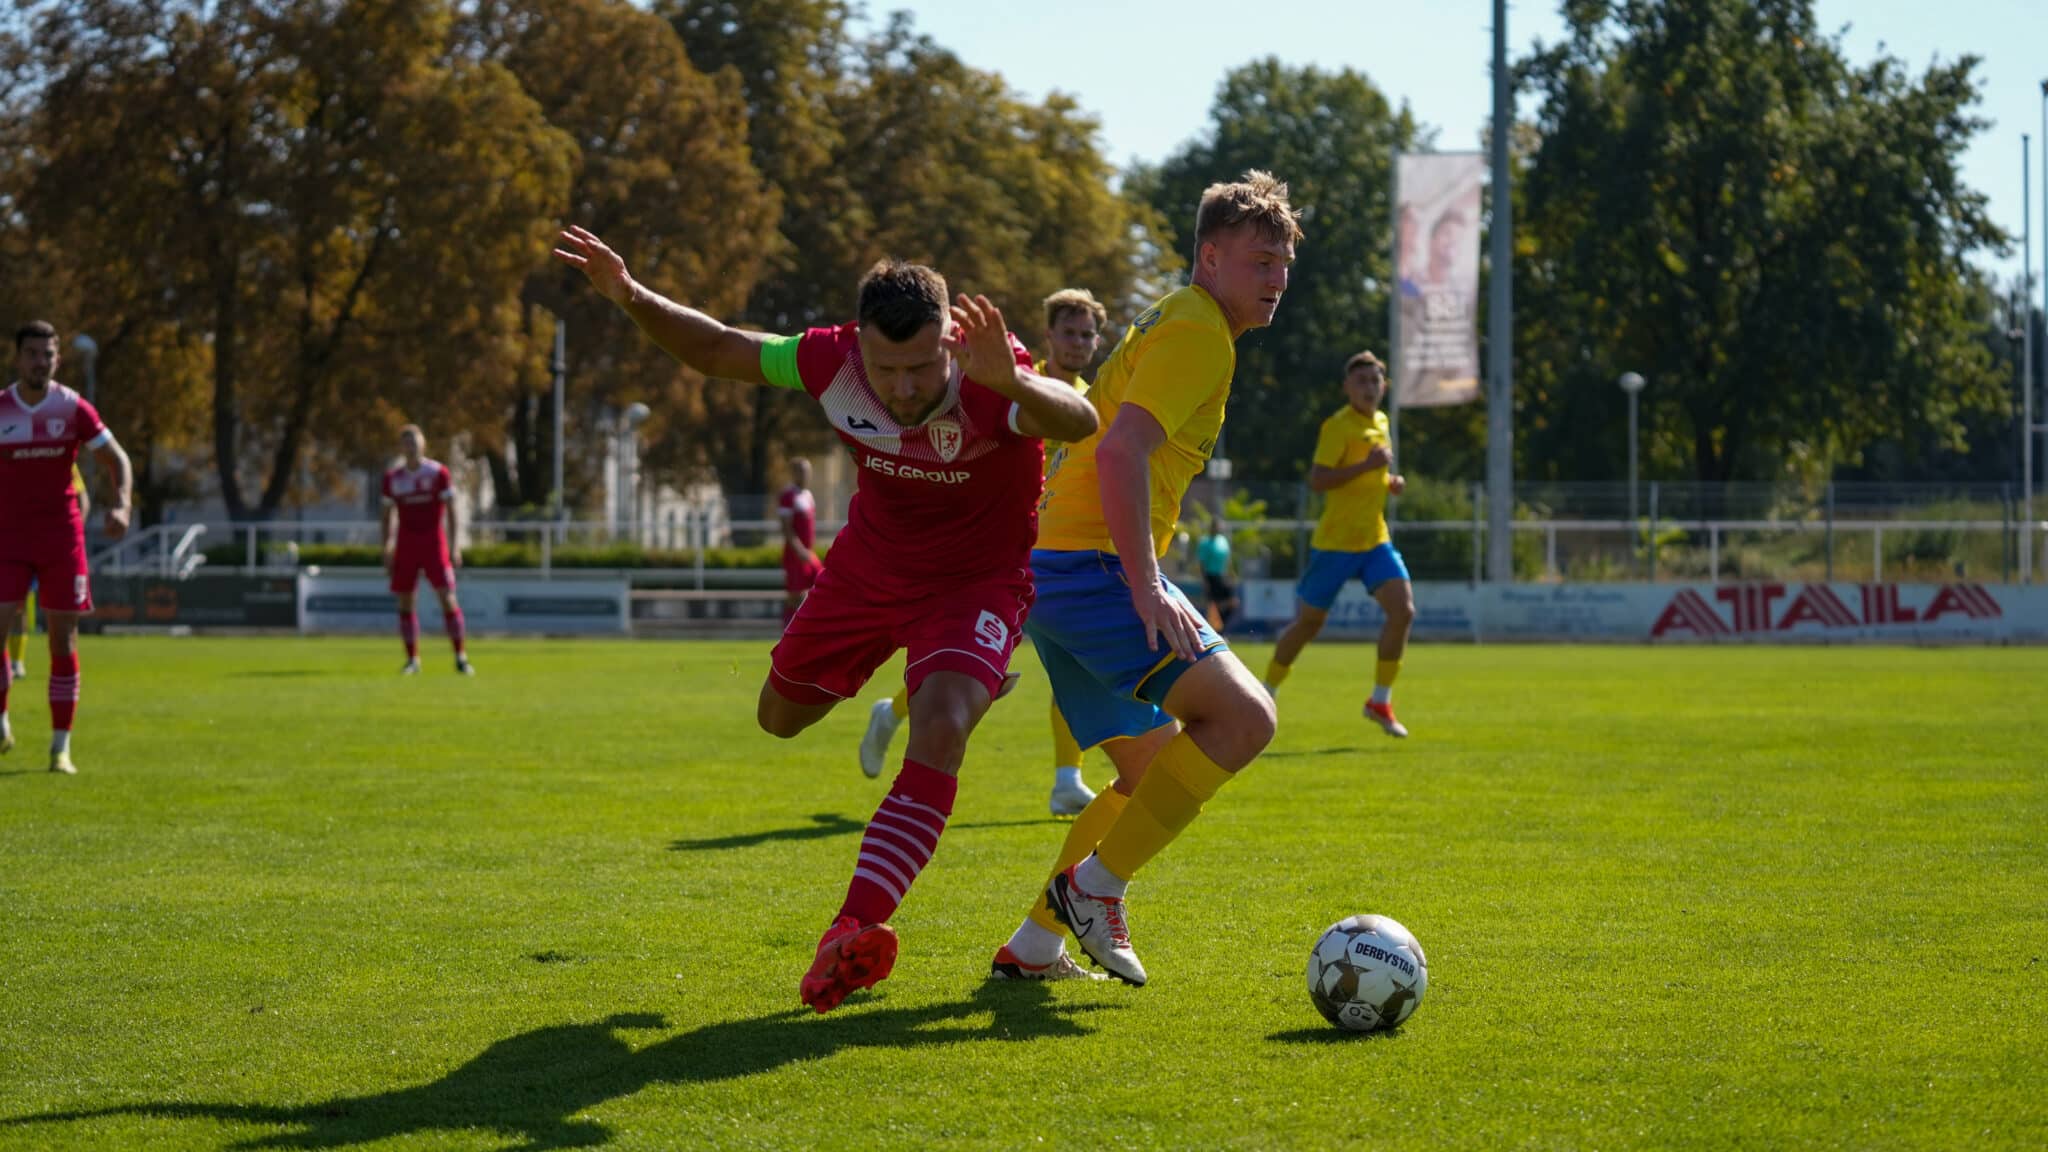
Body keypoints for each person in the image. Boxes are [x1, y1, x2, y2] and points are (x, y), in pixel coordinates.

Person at [553, 226, 1098, 1012]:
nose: (905, 388)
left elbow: (1078, 420)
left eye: (921, 368)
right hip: (868, 569)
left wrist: (1011, 383)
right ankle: (957, 677)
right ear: (859, 350)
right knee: (779, 718)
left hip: (976, 581)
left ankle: (852, 928)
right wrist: (632, 294)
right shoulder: (828, 360)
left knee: (941, 725)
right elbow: (719, 349)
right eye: (887, 369)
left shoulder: (990, 367)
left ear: (951, 339)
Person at [987, 171, 1298, 986]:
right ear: (1210, 257)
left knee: (1149, 769)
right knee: (1245, 720)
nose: (1276, 280)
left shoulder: (1180, 316)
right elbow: (1123, 450)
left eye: (1284, 264)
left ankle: (1035, 945)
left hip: (1053, 565)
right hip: (1091, 565)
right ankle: (1096, 888)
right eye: (1259, 260)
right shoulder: (1199, 330)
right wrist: (1146, 581)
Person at [857, 287, 1109, 817]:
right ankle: (895, 710)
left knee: (1074, 659)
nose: (1080, 343)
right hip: (1003, 551)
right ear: (1048, 335)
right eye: (1070, 332)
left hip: (1059, 548)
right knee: (982, 662)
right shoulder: (1011, 374)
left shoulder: (1090, 397)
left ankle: (1067, 777)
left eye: (1088, 334)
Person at [0, 321, 133, 774]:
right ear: (18, 358)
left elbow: (117, 459)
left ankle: (61, 748)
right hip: (8, 537)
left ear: (58, 359)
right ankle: (2, 719)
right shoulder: (1, 409)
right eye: (33, 354)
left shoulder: (73, 407)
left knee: (62, 639)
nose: (41, 361)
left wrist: (123, 505)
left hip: (61, 538)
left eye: (48, 354)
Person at [1263, 351, 1414, 737]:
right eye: (1361, 381)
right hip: (1335, 545)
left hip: (1374, 539)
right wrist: (1368, 467)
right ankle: (1266, 692)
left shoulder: (1382, 421)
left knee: (1403, 611)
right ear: (1347, 388)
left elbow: (1374, 475)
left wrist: (1388, 482)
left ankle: (1380, 700)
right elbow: (1318, 480)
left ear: (1384, 386)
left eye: (1375, 381)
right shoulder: (1337, 426)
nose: (1369, 387)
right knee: (1309, 624)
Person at [381, 425, 472, 676]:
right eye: (406, 442)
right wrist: (387, 546)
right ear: (401, 447)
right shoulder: (393, 478)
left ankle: (460, 656)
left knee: (447, 596)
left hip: (434, 543)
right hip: (406, 543)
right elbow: (387, 516)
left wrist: (454, 547)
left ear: (423, 445)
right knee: (406, 601)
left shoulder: (437, 473)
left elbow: (452, 511)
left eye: (414, 442)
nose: (410, 447)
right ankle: (412, 660)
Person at [5, 468, 87, 680]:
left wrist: (74, 535)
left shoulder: (62, 454)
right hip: (11, 544)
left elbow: (81, 498)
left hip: (49, 547)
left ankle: (17, 660)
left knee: (21, 610)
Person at [777, 458, 823, 623]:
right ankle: (786, 628)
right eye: (803, 472)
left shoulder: (807, 495)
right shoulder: (788, 495)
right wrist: (799, 550)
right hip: (796, 554)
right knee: (795, 595)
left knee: (821, 585)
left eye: (808, 472)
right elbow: (786, 528)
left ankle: (809, 626)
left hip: (808, 553)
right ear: (794, 473)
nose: (806, 475)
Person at [1196, 522, 1237, 630]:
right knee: (1213, 606)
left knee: (1232, 602)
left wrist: (1231, 573)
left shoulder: (1223, 540)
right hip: (1210, 576)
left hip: (1222, 575)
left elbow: (1227, 559)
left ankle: (1220, 629)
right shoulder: (1205, 542)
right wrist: (1204, 580)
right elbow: (1201, 563)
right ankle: (1216, 631)